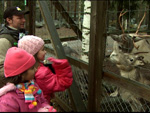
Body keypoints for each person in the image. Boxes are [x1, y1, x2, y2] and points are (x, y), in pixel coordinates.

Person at [18, 35, 73, 103]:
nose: (45, 52)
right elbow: (63, 83)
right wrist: (62, 67)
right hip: (42, 105)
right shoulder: (42, 73)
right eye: (43, 50)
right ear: (34, 53)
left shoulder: (21, 71)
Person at [0, 47, 57, 112]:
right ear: (21, 74)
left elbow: (42, 101)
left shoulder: (33, 86)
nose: (36, 70)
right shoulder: (8, 100)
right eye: (32, 68)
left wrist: (46, 108)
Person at [0, 6, 29, 86]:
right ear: (9, 20)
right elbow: (2, 69)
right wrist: (22, 76)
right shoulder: (4, 40)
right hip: (11, 87)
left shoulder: (21, 35)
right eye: (19, 18)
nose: (24, 20)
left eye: (23, 18)